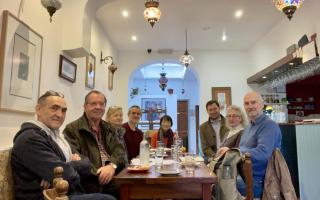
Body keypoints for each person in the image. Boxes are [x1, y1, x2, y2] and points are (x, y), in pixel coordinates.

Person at [11, 90, 116, 200]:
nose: (60, 114)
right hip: (47, 197)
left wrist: (65, 166)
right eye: (54, 108)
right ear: (38, 109)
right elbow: (70, 175)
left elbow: (86, 163)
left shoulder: (56, 135)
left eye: (63, 110)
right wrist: (71, 164)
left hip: (67, 192)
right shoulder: (30, 138)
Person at [219, 92, 282, 198]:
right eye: (246, 103)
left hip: (260, 180)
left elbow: (263, 154)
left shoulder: (269, 125)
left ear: (262, 105)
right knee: (216, 180)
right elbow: (242, 151)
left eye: (253, 102)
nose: (250, 106)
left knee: (218, 186)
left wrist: (233, 151)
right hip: (243, 174)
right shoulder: (248, 127)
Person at [63, 90, 126, 197]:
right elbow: (77, 159)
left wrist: (111, 166)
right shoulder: (72, 129)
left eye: (101, 104)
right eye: (93, 104)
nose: (98, 107)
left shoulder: (109, 127)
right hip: (90, 181)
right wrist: (99, 173)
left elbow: (119, 150)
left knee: (139, 189)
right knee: (128, 190)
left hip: (113, 174)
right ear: (85, 106)